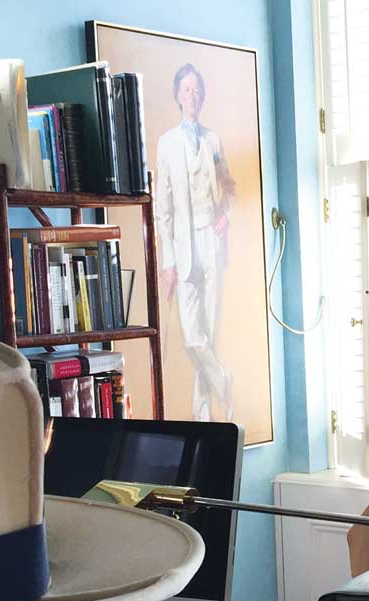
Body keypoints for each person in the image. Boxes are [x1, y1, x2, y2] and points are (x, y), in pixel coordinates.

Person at [155, 62, 237, 422]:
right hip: (184, 251)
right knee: (193, 338)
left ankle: (201, 417)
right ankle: (222, 381)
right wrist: (168, 261)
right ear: (177, 95)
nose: (192, 96)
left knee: (210, 331)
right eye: (186, 89)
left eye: (197, 90)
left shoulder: (213, 139)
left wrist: (225, 214)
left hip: (211, 246)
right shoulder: (166, 144)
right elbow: (162, 209)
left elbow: (229, 186)